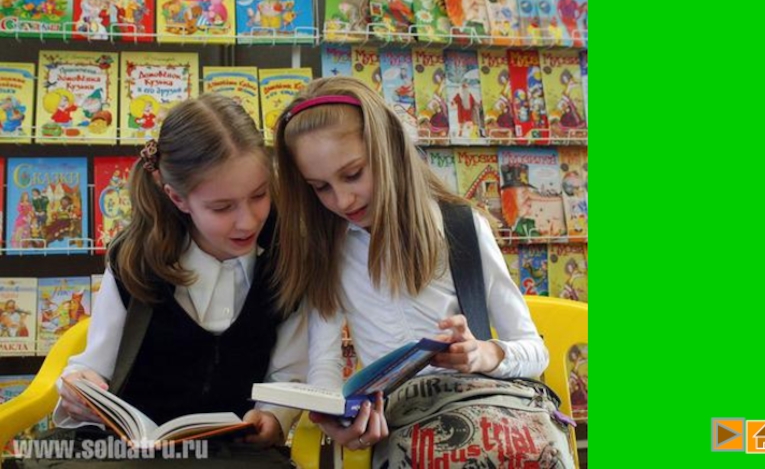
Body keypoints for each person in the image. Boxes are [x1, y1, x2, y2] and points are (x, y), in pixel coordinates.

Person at [272, 77, 562, 465]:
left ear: (390, 149)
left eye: (353, 174)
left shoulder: (461, 227)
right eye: (320, 187)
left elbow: (535, 351)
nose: (342, 199)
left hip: (487, 413)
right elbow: (323, 363)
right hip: (403, 428)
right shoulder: (326, 250)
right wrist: (334, 416)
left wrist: (482, 353)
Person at [54, 94, 306, 463]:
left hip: (231, 455)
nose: (249, 220)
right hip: (128, 453)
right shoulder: (135, 259)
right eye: (222, 207)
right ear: (177, 198)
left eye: (259, 195)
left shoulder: (287, 259)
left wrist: (273, 417)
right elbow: (92, 368)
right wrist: (77, 388)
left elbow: (287, 374)